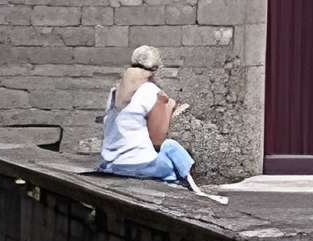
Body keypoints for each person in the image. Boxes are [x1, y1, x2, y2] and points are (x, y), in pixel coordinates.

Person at [95, 46, 226, 202]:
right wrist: (168, 106)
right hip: (138, 165)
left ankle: (188, 182)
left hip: (112, 163)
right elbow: (157, 139)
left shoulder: (114, 91)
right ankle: (189, 184)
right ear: (156, 69)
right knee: (171, 147)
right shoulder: (150, 91)